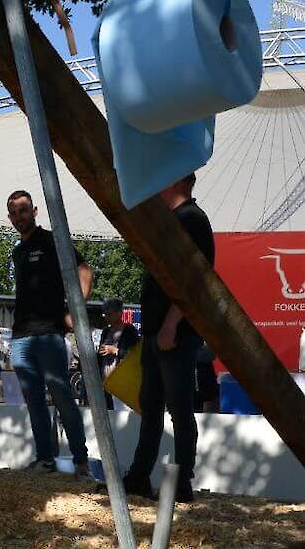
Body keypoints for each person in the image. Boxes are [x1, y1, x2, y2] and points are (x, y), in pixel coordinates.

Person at [123, 173, 214, 503]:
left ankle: (181, 481)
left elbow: (195, 278)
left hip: (173, 334)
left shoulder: (192, 219)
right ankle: (139, 476)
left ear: (175, 182)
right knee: (152, 408)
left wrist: (172, 324)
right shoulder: (178, 219)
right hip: (157, 333)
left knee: (179, 409)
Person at [7, 190, 93, 476]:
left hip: (49, 334)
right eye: (15, 213)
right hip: (20, 336)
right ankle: (45, 458)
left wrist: (75, 312)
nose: (20, 216)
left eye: (23, 210)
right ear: (10, 218)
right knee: (33, 399)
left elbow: (84, 272)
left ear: (35, 211)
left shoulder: (52, 241)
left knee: (61, 394)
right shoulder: (17, 251)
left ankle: (80, 458)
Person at [97, 298, 140, 410]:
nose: (106, 317)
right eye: (105, 314)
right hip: (106, 382)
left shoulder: (129, 330)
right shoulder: (106, 331)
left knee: (122, 414)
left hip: (122, 383)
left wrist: (115, 351)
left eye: (109, 314)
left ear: (119, 313)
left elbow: (134, 356)